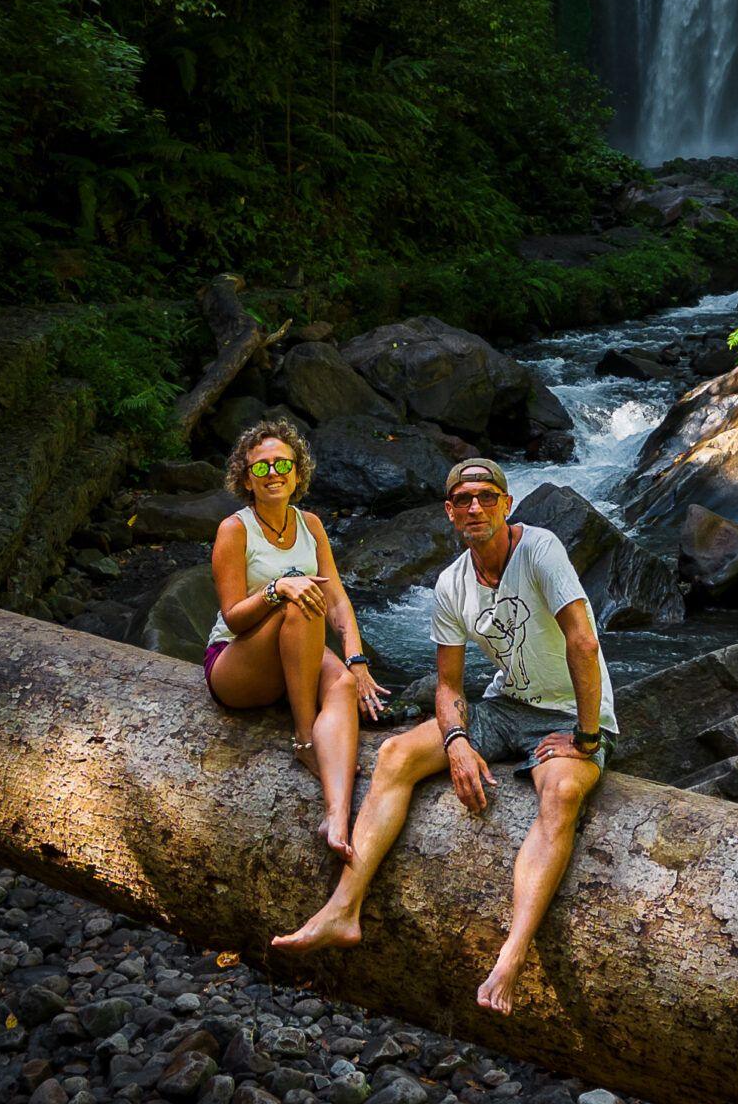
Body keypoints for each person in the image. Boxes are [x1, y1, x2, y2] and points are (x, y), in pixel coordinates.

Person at [272, 455, 616, 1013]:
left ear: (506, 504)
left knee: (564, 792)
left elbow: (583, 642)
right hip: (505, 705)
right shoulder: (452, 583)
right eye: (463, 500)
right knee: (396, 753)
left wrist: (587, 735)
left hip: (570, 713)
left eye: (486, 497)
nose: (475, 507)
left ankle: (511, 955)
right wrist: (456, 740)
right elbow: (449, 684)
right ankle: (344, 909)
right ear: (450, 512)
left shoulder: (541, 548)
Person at [204, 416, 387, 861]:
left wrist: (357, 660)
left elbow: (339, 601)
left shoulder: (310, 524)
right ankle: (305, 737)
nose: (273, 474)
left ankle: (337, 815)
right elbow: (233, 616)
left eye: (282, 464)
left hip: (294, 652)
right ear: (246, 479)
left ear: (298, 472)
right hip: (236, 662)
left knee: (342, 683)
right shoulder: (235, 529)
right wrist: (276, 589)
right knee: (300, 599)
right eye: (261, 467)